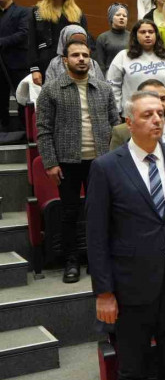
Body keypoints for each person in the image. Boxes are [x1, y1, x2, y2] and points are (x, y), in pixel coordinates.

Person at [86, 90, 165, 380]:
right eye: (147, 115)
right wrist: (104, 292)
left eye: (160, 113)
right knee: (133, 368)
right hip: (130, 286)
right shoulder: (107, 166)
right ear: (129, 122)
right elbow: (96, 235)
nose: (157, 120)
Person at [37, 39, 119, 283]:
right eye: (75, 55)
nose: (81, 59)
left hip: (101, 162)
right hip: (67, 162)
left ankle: (98, 260)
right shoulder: (51, 89)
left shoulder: (103, 88)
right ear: (65, 60)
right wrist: (50, 162)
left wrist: (116, 159)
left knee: (101, 213)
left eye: (85, 55)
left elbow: (116, 125)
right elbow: (43, 129)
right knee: (70, 214)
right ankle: (71, 261)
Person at [109, 80, 165, 183]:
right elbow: (113, 173)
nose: (159, 103)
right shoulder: (121, 132)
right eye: (151, 98)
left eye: (163, 98)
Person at [108, 19, 165, 119]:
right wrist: (116, 112)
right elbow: (113, 87)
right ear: (135, 35)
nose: (147, 35)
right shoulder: (123, 56)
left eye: (151, 32)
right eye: (143, 32)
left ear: (156, 35)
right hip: (134, 116)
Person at [28, 0, 89, 87]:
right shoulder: (37, 11)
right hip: (45, 61)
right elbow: (31, 41)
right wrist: (34, 69)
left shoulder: (77, 13)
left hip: (72, 60)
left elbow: (86, 41)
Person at [0, 0, 29, 129]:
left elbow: (24, 34)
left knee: (22, 100)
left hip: (18, 64)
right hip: (1, 66)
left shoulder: (22, 12)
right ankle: (4, 130)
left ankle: (26, 131)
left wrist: (2, 41)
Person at [94, 4, 131, 74]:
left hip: (129, 74)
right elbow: (100, 64)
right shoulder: (103, 38)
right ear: (111, 18)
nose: (121, 17)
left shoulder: (133, 36)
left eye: (124, 16)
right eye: (118, 15)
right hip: (109, 76)